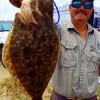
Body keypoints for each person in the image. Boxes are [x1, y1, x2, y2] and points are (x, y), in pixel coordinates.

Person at [50, 0, 100, 100]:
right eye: (77, 3)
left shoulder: (98, 37)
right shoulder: (56, 31)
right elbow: (38, 20)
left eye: (87, 4)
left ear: (92, 10)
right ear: (70, 8)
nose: (82, 8)